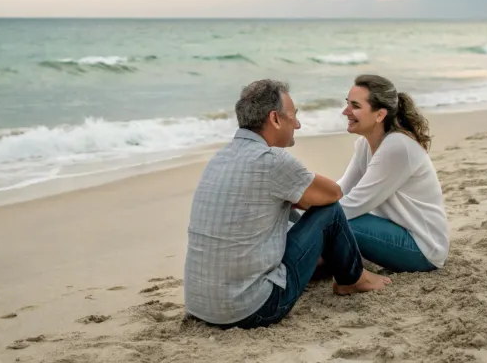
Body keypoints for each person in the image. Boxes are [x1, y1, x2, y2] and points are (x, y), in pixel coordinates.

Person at [184, 79, 390, 330]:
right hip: (251, 309)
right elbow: (332, 194)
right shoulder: (271, 159)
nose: (298, 124)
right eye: (294, 116)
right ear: (275, 119)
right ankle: (354, 279)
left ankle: (332, 266)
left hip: (200, 305)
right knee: (330, 212)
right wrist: (295, 198)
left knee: (291, 211)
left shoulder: (220, 157)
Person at [336, 74, 449, 273]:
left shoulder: (398, 146)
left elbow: (353, 205)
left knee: (338, 221)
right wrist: (302, 201)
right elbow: (341, 190)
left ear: (380, 115)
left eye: (355, 106)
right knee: (326, 217)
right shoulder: (365, 145)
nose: (346, 111)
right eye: (347, 103)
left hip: (423, 248)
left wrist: (307, 220)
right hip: (396, 233)